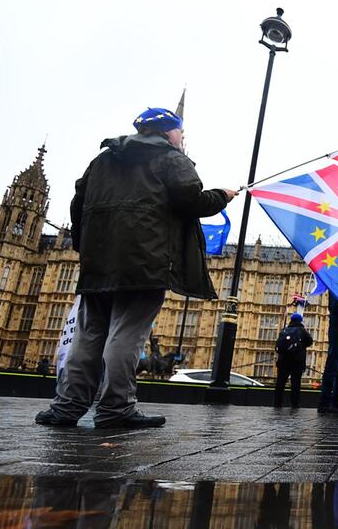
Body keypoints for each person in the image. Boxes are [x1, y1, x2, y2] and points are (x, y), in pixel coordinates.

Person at [36, 107, 237, 428]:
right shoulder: (171, 158)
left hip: (97, 262)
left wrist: (84, 247)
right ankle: (116, 408)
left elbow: (78, 205)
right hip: (144, 262)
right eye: (181, 134)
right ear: (169, 132)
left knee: (87, 337)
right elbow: (193, 201)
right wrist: (223, 196)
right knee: (126, 336)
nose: (183, 140)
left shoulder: (102, 160)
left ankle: (67, 407)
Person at [273, 312, 313, 408]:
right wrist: (301, 346)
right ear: (300, 320)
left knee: (280, 382)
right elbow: (310, 341)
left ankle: (277, 403)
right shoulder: (302, 330)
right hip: (297, 361)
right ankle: (294, 404)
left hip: (283, 360)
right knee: (295, 383)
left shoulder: (284, 330)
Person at [318, 295, 338, 414]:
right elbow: (335, 306)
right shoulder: (337, 281)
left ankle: (337, 403)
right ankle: (324, 403)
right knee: (334, 362)